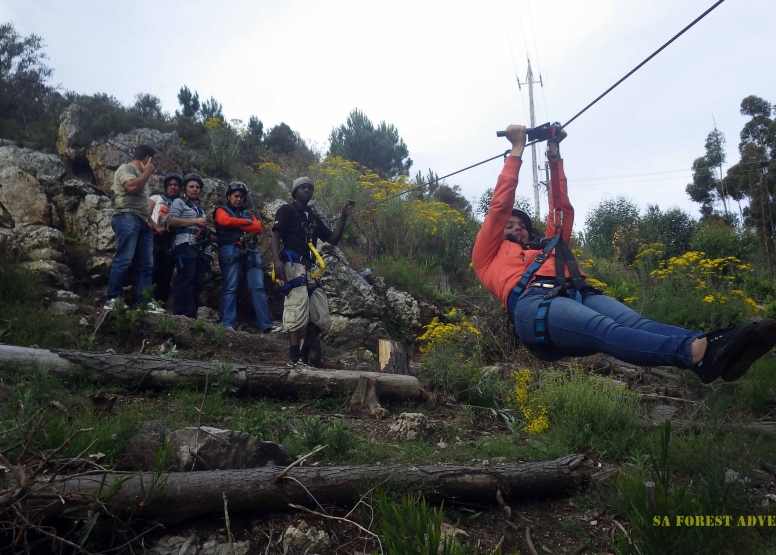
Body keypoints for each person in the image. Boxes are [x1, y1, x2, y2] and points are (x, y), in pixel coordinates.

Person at [472, 125, 776, 384]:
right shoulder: (487, 255)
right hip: (534, 304)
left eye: (522, 225)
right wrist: (517, 149)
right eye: (509, 226)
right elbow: (499, 207)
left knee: (638, 323)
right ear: (497, 231)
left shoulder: (549, 246)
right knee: (606, 330)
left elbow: (561, 208)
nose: (517, 228)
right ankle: (696, 353)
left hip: (577, 292)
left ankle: (712, 346)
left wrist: (554, 154)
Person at [271, 177, 355, 367]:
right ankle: (293, 359)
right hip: (292, 264)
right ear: (295, 192)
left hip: (309, 268)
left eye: (310, 188)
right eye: (303, 188)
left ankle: (303, 357)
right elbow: (276, 234)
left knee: (320, 314)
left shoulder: (313, 217)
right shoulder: (286, 210)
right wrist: (277, 260)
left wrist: (343, 216)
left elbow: (332, 239)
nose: (307, 190)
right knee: (296, 306)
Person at [104, 144, 165, 313]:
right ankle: (113, 299)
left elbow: (144, 206)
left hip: (144, 223)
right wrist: (147, 172)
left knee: (146, 264)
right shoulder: (125, 168)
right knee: (124, 259)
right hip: (127, 217)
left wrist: (153, 225)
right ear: (148, 159)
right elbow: (131, 187)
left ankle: (144, 302)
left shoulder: (142, 177)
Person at [214, 181, 280, 333]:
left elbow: (257, 228)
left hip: (250, 251)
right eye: (236, 196)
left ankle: (266, 325)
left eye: (241, 197)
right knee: (230, 287)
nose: (238, 199)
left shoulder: (249, 214)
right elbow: (224, 221)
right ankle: (228, 324)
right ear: (229, 196)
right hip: (231, 250)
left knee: (258, 288)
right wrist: (245, 223)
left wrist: (237, 224)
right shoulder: (221, 210)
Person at [167, 173, 211, 319]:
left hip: (200, 247)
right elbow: (171, 221)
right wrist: (195, 221)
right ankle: (181, 313)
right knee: (185, 278)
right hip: (184, 244)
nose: (195, 189)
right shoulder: (179, 202)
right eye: (191, 186)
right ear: (185, 188)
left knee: (197, 281)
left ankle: (191, 315)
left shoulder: (200, 209)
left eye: (197, 187)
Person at [149, 173, 182, 307]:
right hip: (154, 238)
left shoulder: (181, 205)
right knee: (153, 269)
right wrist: (156, 227)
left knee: (167, 273)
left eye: (176, 185)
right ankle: (147, 301)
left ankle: (160, 304)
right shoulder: (156, 198)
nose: (173, 187)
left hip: (172, 242)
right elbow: (145, 212)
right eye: (170, 185)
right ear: (166, 187)